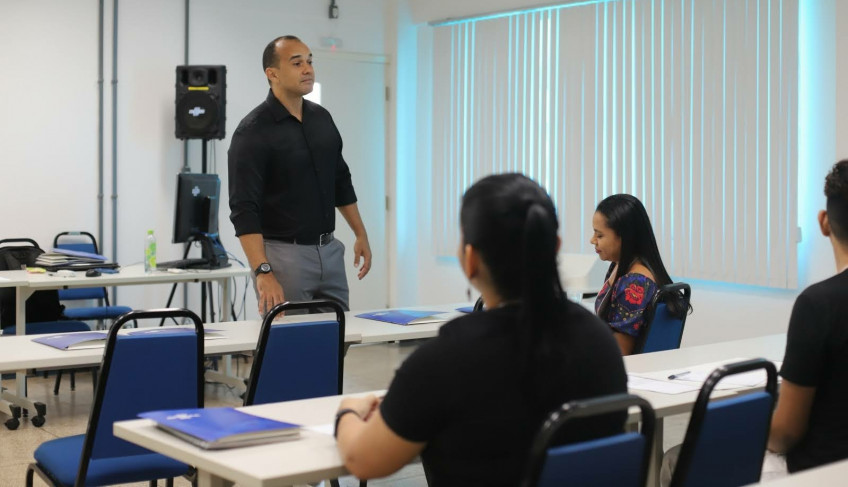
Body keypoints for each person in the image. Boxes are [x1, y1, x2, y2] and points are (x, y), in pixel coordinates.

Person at [334, 173, 628, 485]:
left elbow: (362, 459)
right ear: (553, 247)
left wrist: (348, 411)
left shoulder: (447, 359)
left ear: (470, 259)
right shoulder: (599, 342)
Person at [228, 35, 371, 316]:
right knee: (293, 349)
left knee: (336, 345)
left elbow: (340, 180)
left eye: (309, 61)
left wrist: (360, 233)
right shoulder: (253, 132)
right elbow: (244, 209)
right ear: (273, 74)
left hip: (329, 252)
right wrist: (263, 272)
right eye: (297, 63)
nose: (307, 69)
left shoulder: (322, 118)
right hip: (284, 257)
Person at [768, 159, 848, 473]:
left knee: (677, 460)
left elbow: (785, 433)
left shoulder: (818, 304)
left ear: (824, 221)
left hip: (823, 470)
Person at [591, 194, 679, 355]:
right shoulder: (620, 266)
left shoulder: (634, 283)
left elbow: (621, 353)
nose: (592, 240)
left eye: (600, 235)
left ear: (623, 237)